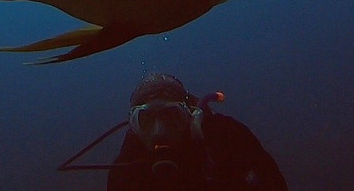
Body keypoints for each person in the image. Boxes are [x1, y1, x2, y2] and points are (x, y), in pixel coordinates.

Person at [59, 73, 287, 190]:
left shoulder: (228, 138)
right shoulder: (126, 172)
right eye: (146, 120)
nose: (159, 132)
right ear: (133, 126)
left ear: (191, 114)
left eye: (171, 116)